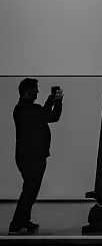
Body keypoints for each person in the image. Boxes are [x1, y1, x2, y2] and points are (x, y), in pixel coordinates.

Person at [9, 78, 63, 234]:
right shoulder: (30, 109)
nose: (38, 91)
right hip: (33, 157)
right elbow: (52, 116)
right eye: (35, 88)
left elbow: (43, 115)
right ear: (28, 91)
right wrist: (58, 101)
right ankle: (17, 224)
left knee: (30, 190)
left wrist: (50, 101)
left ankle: (24, 221)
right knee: (29, 191)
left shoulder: (21, 109)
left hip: (26, 156)